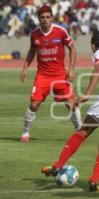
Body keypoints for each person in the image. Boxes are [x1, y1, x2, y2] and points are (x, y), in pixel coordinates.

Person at [41, 30, 99, 192]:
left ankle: (58, 165)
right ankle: (94, 181)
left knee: (83, 131)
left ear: (93, 46)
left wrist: (87, 93)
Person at [19, 5, 81, 142]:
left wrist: (71, 69)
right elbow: (32, 51)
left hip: (60, 75)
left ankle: (79, 130)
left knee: (71, 104)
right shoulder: (34, 34)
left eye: (48, 17)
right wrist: (25, 68)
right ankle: (25, 132)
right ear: (38, 19)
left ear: (52, 18)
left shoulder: (61, 32)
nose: (45, 20)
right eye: (42, 17)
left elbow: (72, 49)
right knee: (34, 104)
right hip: (43, 76)